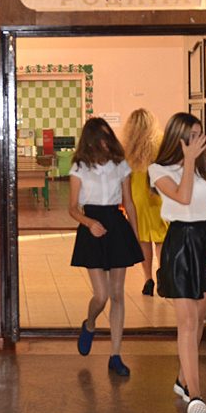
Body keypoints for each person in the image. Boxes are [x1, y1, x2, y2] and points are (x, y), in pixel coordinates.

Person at [148, 112, 206, 413]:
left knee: (200, 316)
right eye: (192, 136)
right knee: (188, 322)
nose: (199, 140)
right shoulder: (159, 170)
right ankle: (195, 394)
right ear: (178, 138)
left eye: (200, 134)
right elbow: (182, 197)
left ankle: (183, 380)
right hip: (181, 243)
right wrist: (189, 160)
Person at [69, 117, 144, 377]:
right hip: (92, 227)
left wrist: (135, 236)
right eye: (99, 138)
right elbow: (72, 208)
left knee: (117, 294)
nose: (104, 142)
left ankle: (115, 355)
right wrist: (90, 223)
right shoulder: (79, 166)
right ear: (90, 141)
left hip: (116, 226)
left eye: (107, 137)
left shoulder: (120, 164)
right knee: (100, 296)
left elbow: (129, 203)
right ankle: (89, 324)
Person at [122, 109, 168, 296]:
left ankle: (148, 278)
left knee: (143, 238)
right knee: (161, 238)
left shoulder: (127, 148)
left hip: (137, 196)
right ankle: (162, 274)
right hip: (158, 193)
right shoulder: (162, 142)